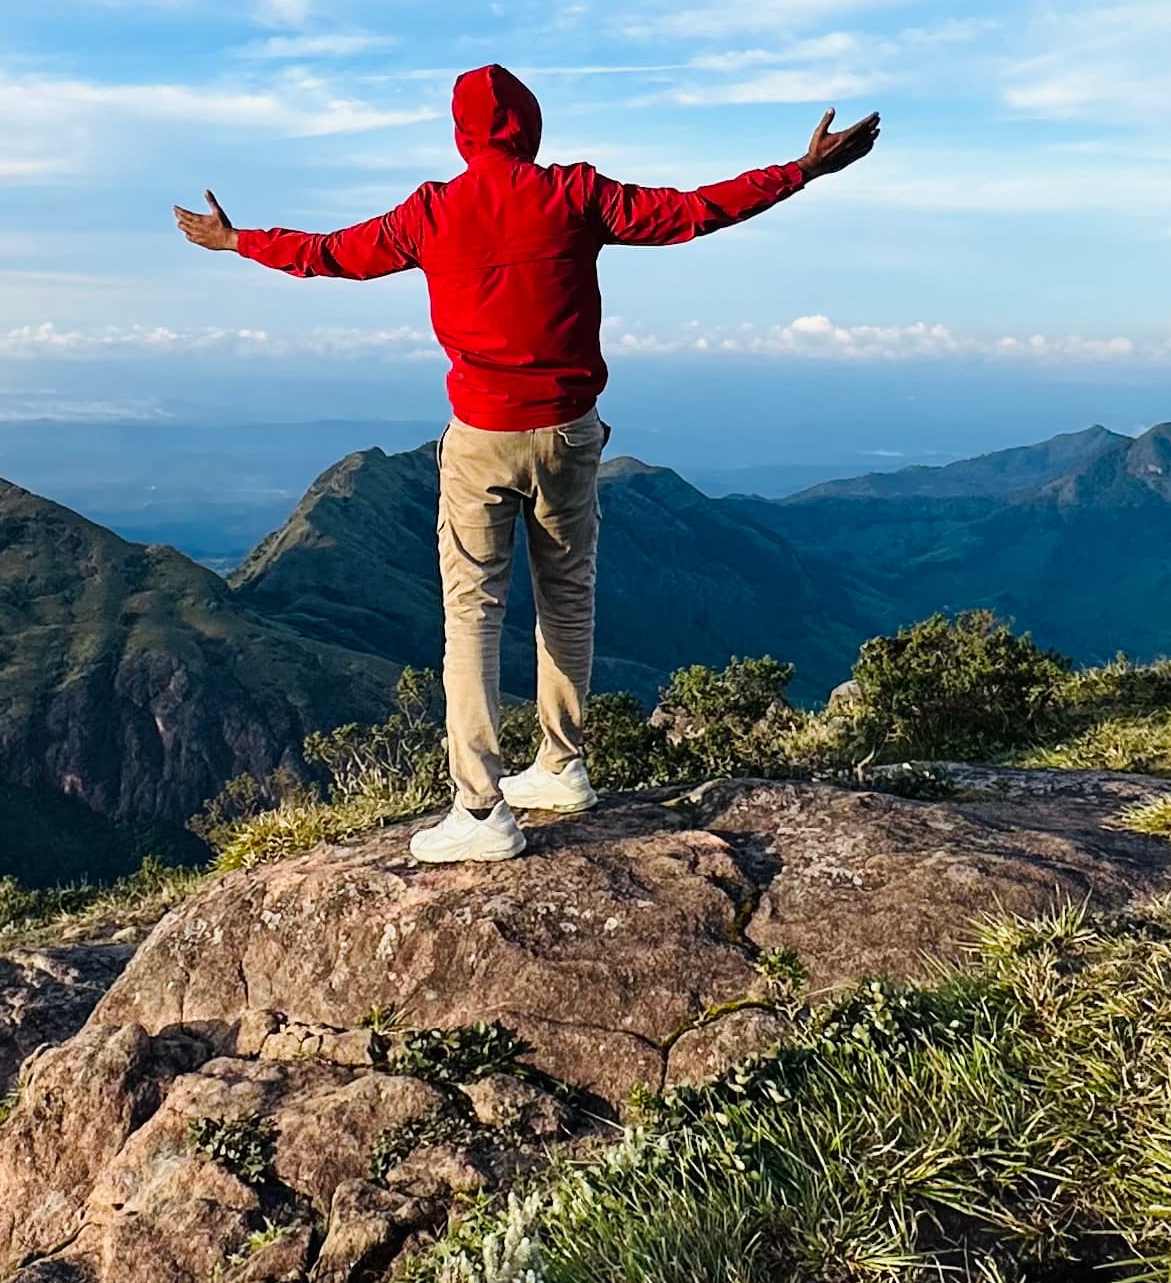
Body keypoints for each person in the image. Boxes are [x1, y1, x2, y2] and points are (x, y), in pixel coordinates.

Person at [176, 65, 880, 863]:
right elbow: (691, 213)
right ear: (532, 129)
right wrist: (801, 170)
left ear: (461, 135)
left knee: (472, 615)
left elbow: (331, 255)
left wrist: (238, 242)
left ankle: (481, 813)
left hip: (482, 436)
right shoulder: (574, 194)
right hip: (571, 433)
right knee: (567, 596)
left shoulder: (432, 211)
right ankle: (561, 765)